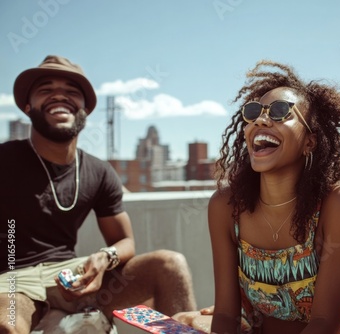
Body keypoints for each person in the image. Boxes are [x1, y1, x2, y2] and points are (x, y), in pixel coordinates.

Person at [0, 55, 197, 333]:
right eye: (46, 90)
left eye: (71, 92)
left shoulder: (99, 171)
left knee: (169, 264)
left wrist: (105, 258)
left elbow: (124, 241)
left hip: (74, 274)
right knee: (6, 323)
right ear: (28, 106)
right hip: (12, 279)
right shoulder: (5, 159)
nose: (60, 96)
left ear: (84, 110)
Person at [206, 60, 340, 334]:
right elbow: (226, 315)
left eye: (280, 112)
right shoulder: (225, 206)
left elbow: (324, 325)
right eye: (253, 113)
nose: (261, 120)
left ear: (310, 142)